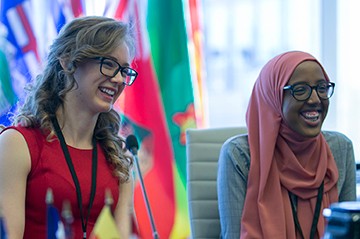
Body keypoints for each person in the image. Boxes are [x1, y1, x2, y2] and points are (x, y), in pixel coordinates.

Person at [0, 16, 138, 239]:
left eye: (124, 70)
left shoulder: (118, 158)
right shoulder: (17, 143)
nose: (119, 79)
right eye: (109, 64)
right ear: (66, 60)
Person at [217, 51, 357, 239]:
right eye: (300, 90)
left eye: (322, 88)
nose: (315, 99)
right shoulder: (240, 156)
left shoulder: (340, 149)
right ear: (273, 97)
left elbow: (350, 232)